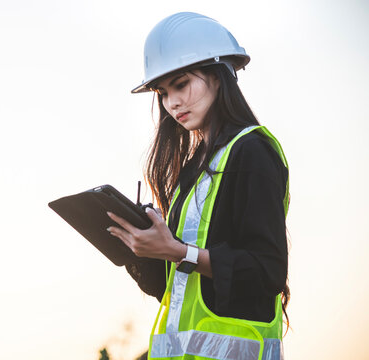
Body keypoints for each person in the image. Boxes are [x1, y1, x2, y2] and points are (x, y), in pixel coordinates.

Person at [106, 12, 290, 360]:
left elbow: (268, 271)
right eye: (162, 92)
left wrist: (178, 251)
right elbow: (175, 288)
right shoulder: (193, 171)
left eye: (181, 84)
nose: (171, 102)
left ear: (218, 76)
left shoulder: (252, 152)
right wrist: (139, 246)